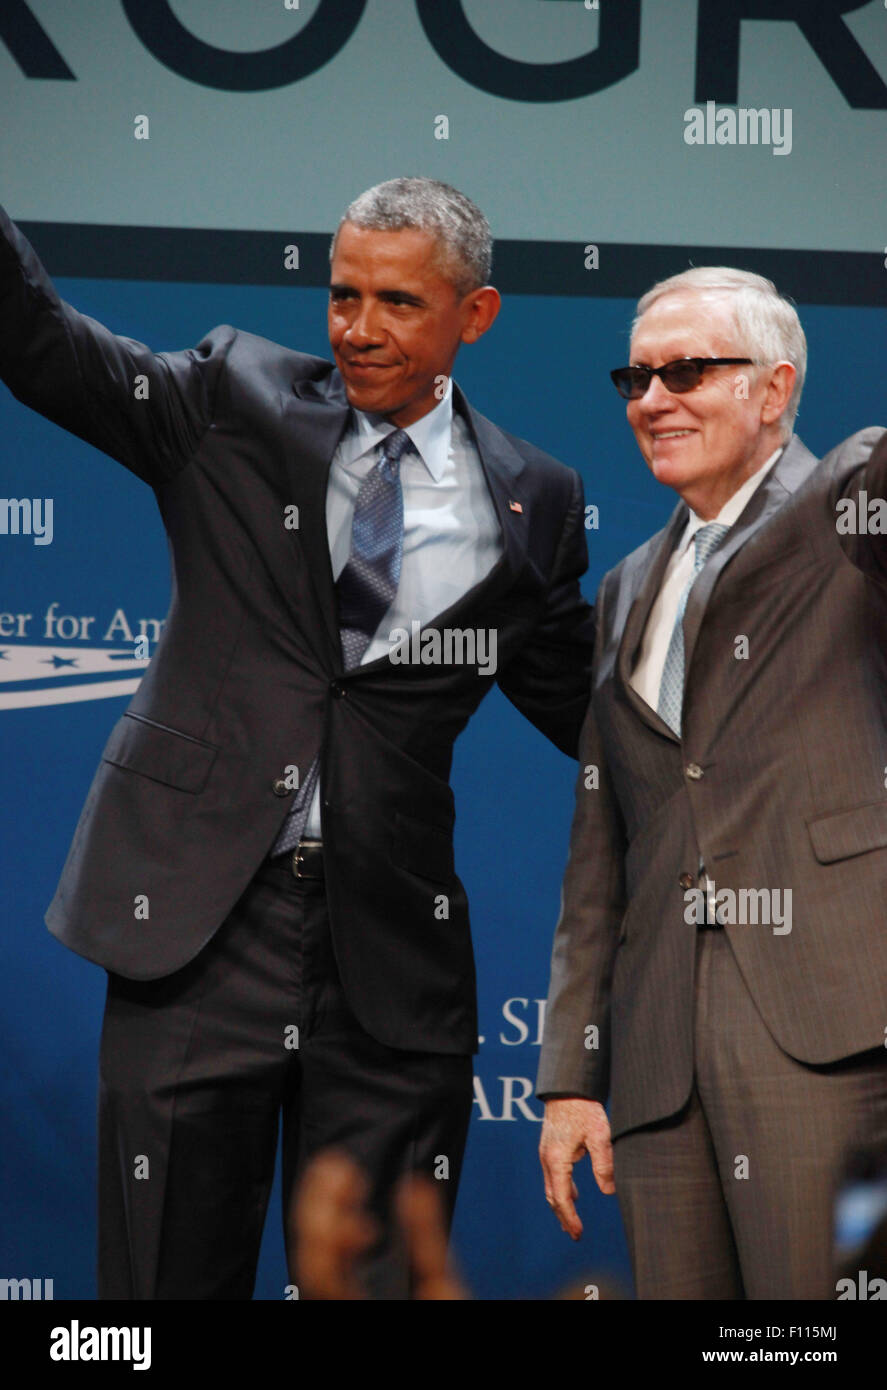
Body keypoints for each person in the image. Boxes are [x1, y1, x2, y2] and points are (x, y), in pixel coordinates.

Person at [0, 176, 594, 1299]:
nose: (358, 328)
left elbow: (596, 716)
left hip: (389, 957)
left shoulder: (538, 500)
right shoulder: (233, 397)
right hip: (196, 930)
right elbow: (40, 344)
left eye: (397, 304)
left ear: (475, 314)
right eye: (341, 295)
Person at [536, 265, 887, 1300]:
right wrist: (568, 1075)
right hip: (656, 1062)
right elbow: (601, 848)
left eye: (686, 370)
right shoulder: (625, 584)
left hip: (818, 1032)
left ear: (772, 390)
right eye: (635, 377)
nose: (652, 399)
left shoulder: (847, 506)